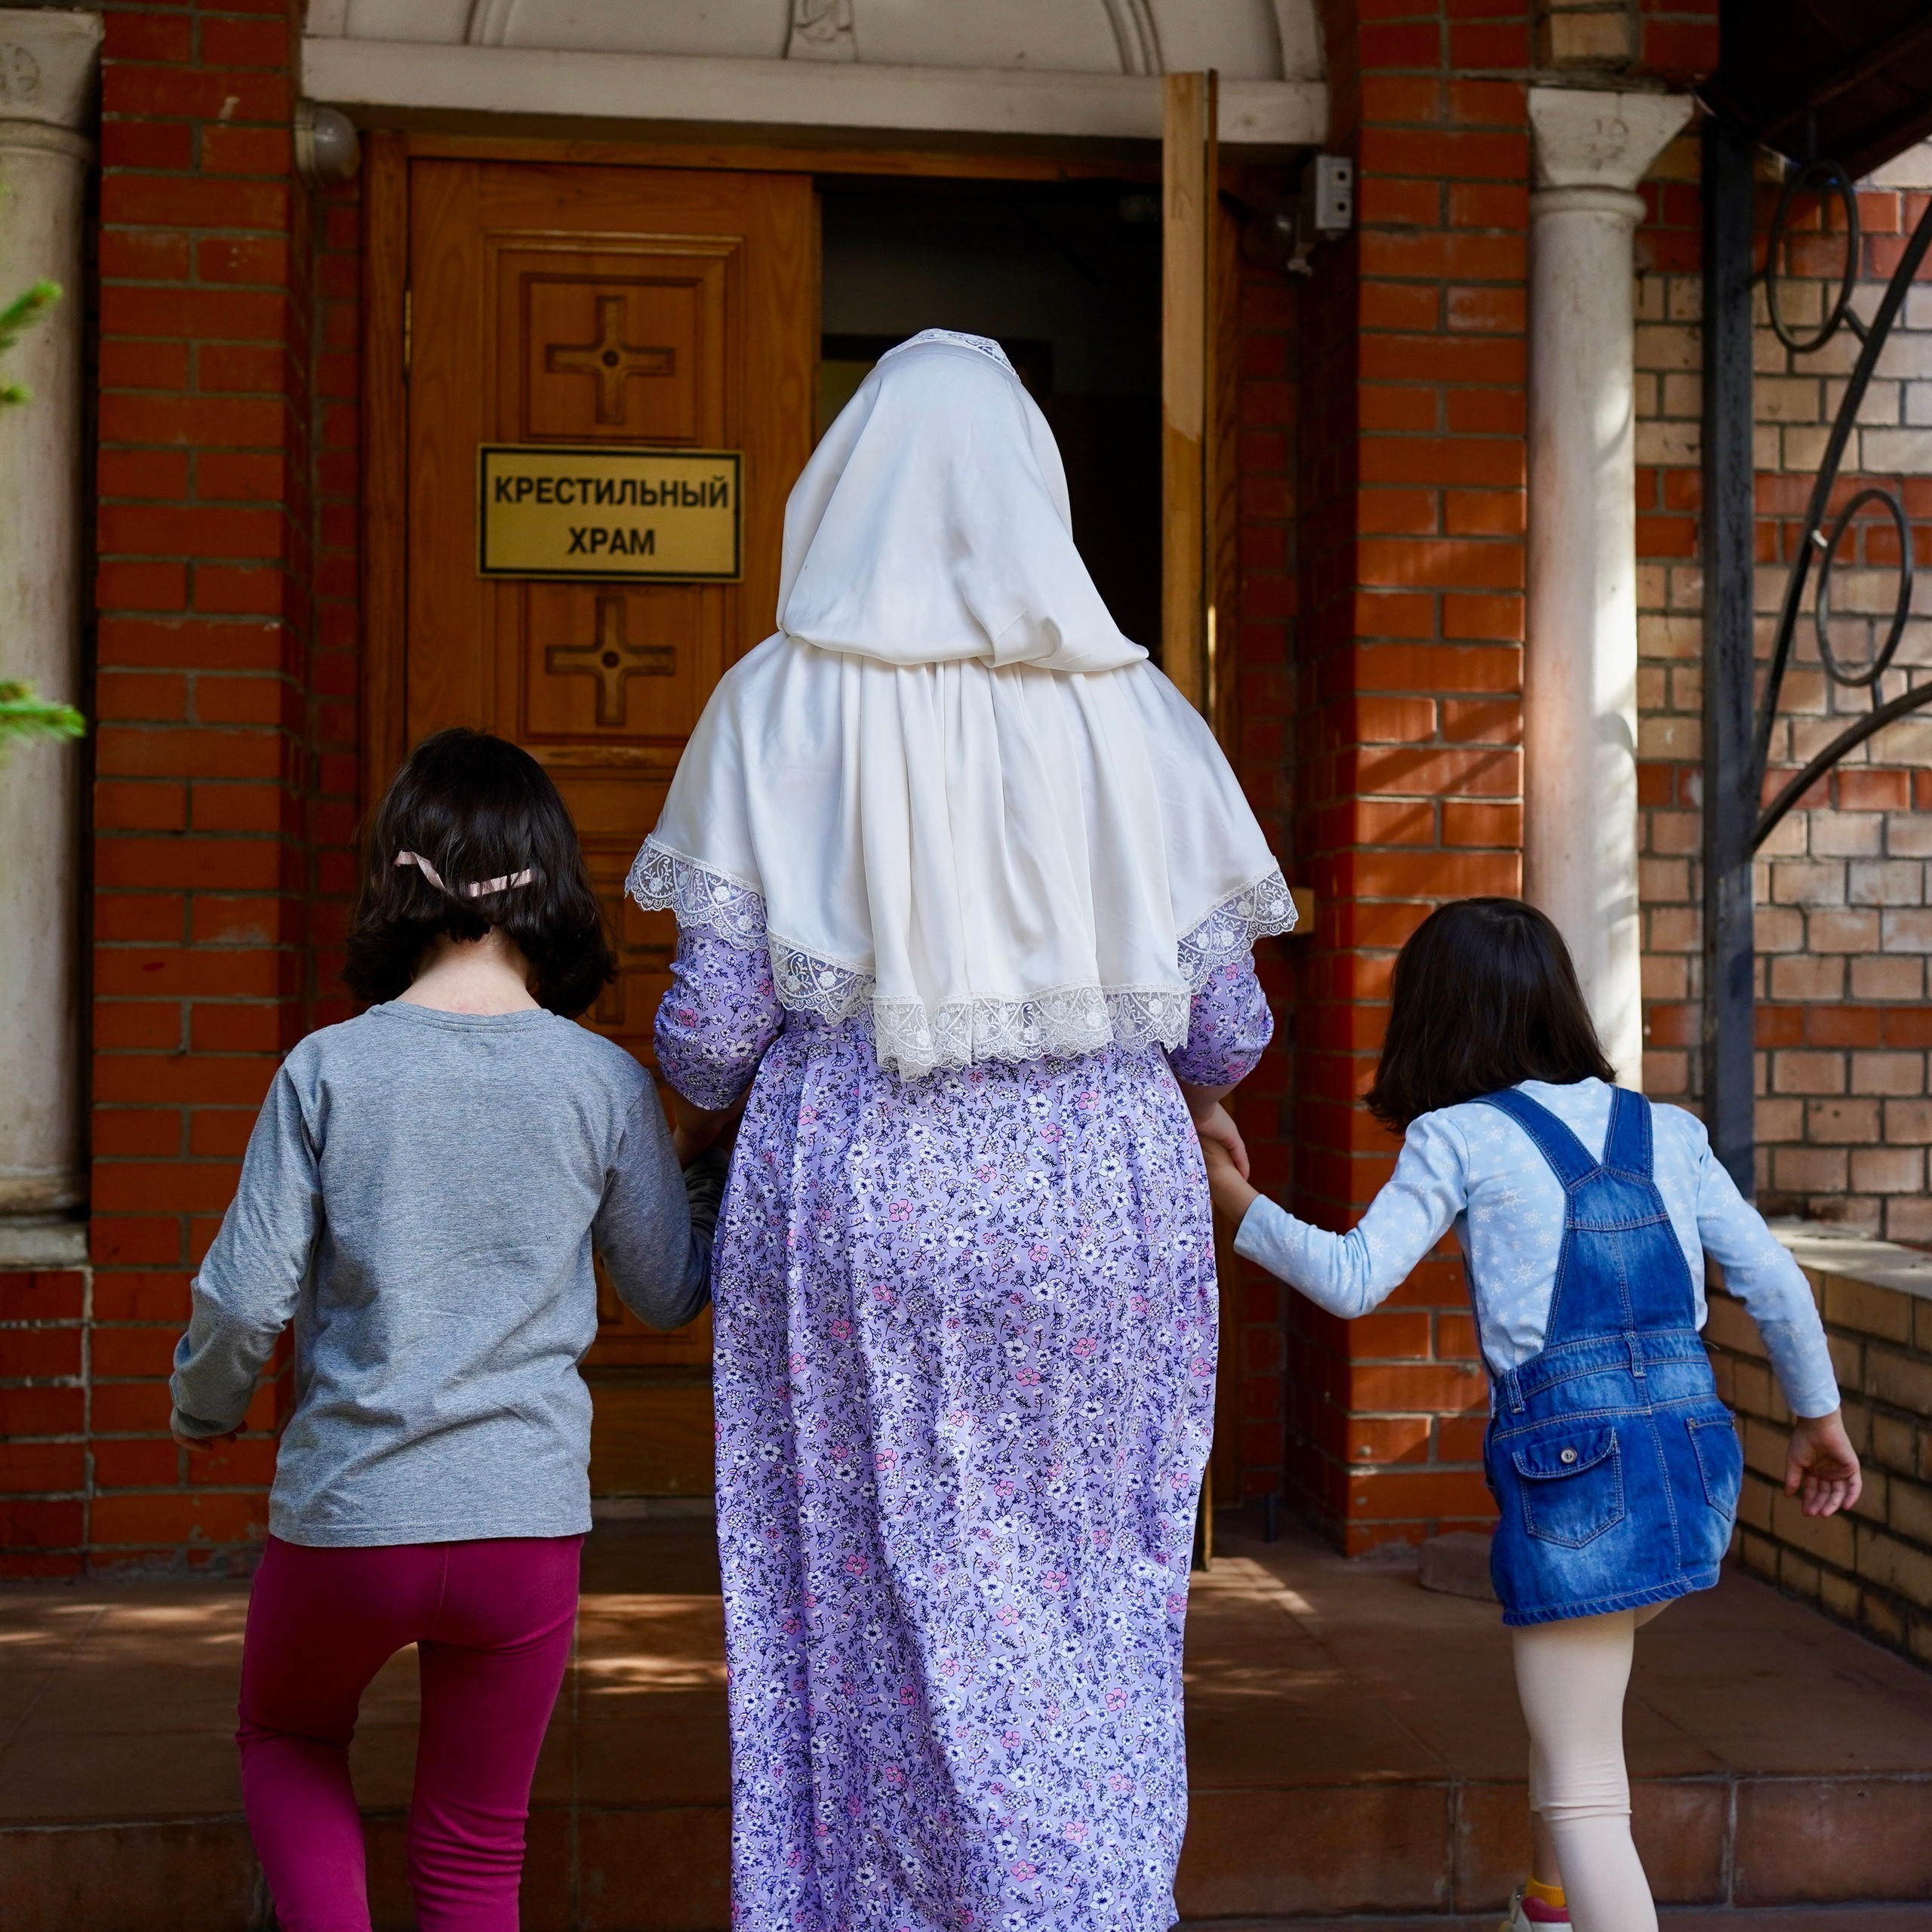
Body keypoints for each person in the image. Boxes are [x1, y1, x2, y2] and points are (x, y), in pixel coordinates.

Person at [628, 328, 1297, 1932]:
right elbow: (1228, 1028)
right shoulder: (1141, 714)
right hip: (1103, 1204)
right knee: (1087, 1597)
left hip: (865, 1195)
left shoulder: (771, 702)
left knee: (863, 1600)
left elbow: (711, 1031)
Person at [1195, 897, 1860, 1932]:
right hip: (1695, 1464)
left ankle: (1574, 1908)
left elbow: (1352, 1277)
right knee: (1579, 1716)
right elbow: (1773, 1280)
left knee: (1586, 1788)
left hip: (1578, 1477)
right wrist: (1819, 1419)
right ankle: (1549, 1913)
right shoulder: (1669, 1130)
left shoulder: (1457, 1135)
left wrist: (1228, 1198)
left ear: (1431, 1019)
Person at [170, 728, 722, 1932]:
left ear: (394, 875)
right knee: (477, 1844)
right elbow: (669, 1290)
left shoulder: (328, 1070)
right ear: (553, 881)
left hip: (351, 1513)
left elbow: (245, 1298)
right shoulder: (603, 1083)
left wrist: (204, 1406)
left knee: (288, 1736)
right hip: (523, 1525)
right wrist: (703, 1160)